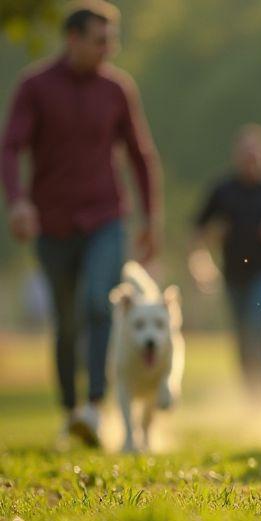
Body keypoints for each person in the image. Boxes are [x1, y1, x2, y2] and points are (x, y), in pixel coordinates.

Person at [1, 1, 162, 447]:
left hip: (105, 216)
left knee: (98, 303)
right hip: (51, 222)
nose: (109, 49)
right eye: (100, 41)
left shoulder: (117, 89)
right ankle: (71, 412)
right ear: (72, 39)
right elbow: (10, 147)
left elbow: (140, 154)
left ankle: (96, 404)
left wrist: (151, 217)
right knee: (66, 321)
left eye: (112, 40)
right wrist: (17, 203)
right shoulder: (35, 86)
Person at [189, 124, 261, 397]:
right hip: (232, 274)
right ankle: (249, 391)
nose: (250, 161)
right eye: (245, 154)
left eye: (255, 155)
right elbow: (197, 231)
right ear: (236, 156)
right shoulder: (222, 190)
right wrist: (202, 260)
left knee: (257, 326)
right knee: (241, 333)